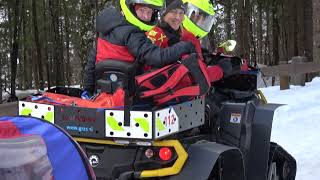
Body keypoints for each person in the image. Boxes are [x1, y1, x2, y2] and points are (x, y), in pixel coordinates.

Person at [83, 0, 196, 97]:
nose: (146, 16)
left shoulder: (108, 30)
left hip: (105, 93)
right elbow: (157, 57)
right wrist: (184, 46)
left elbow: (91, 65)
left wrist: (88, 90)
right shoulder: (131, 33)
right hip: (131, 96)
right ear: (131, 7)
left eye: (149, 12)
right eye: (142, 10)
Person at [146, 0, 238, 83]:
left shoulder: (174, 34)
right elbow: (193, 77)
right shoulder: (179, 37)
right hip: (168, 95)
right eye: (196, 15)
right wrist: (220, 70)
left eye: (204, 18)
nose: (200, 21)